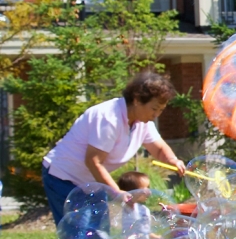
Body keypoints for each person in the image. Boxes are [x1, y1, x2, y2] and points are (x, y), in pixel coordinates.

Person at [42, 71, 185, 225]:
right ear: (137, 100)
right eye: (154, 108)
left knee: (100, 237)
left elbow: (158, 148)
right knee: (81, 237)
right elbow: (93, 161)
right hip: (64, 176)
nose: (156, 114)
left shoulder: (143, 122)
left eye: (161, 110)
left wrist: (173, 160)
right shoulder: (109, 118)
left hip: (92, 182)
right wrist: (117, 193)